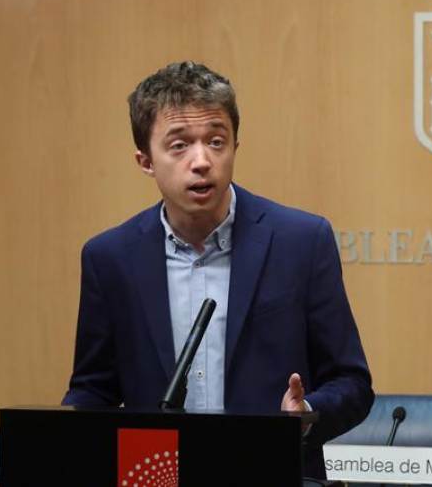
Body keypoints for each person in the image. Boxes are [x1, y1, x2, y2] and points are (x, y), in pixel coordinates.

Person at [63, 61, 373, 478]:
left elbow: (352, 383)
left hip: (270, 473)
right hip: (158, 474)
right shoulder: (110, 258)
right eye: (179, 145)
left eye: (216, 141)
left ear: (235, 147)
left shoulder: (301, 242)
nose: (202, 161)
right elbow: (93, 390)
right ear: (145, 161)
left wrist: (305, 415)